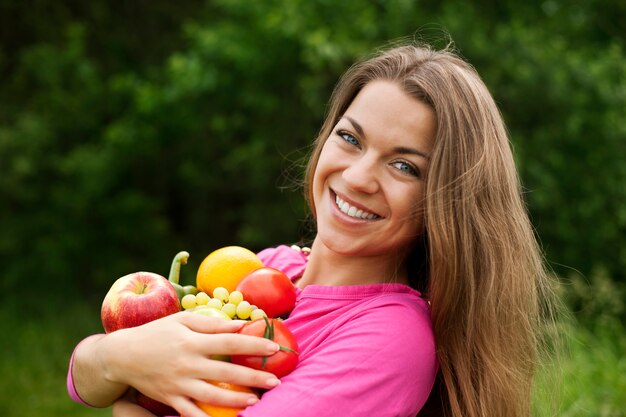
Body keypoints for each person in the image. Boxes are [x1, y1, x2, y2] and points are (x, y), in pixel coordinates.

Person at [67, 41, 555, 417]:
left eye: (405, 167)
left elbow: (111, 385)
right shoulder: (268, 268)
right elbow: (81, 375)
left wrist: (127, 389)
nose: (359, 177)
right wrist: (119, 358)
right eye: (349, 138)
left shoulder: (392, 338)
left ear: (446, 201)